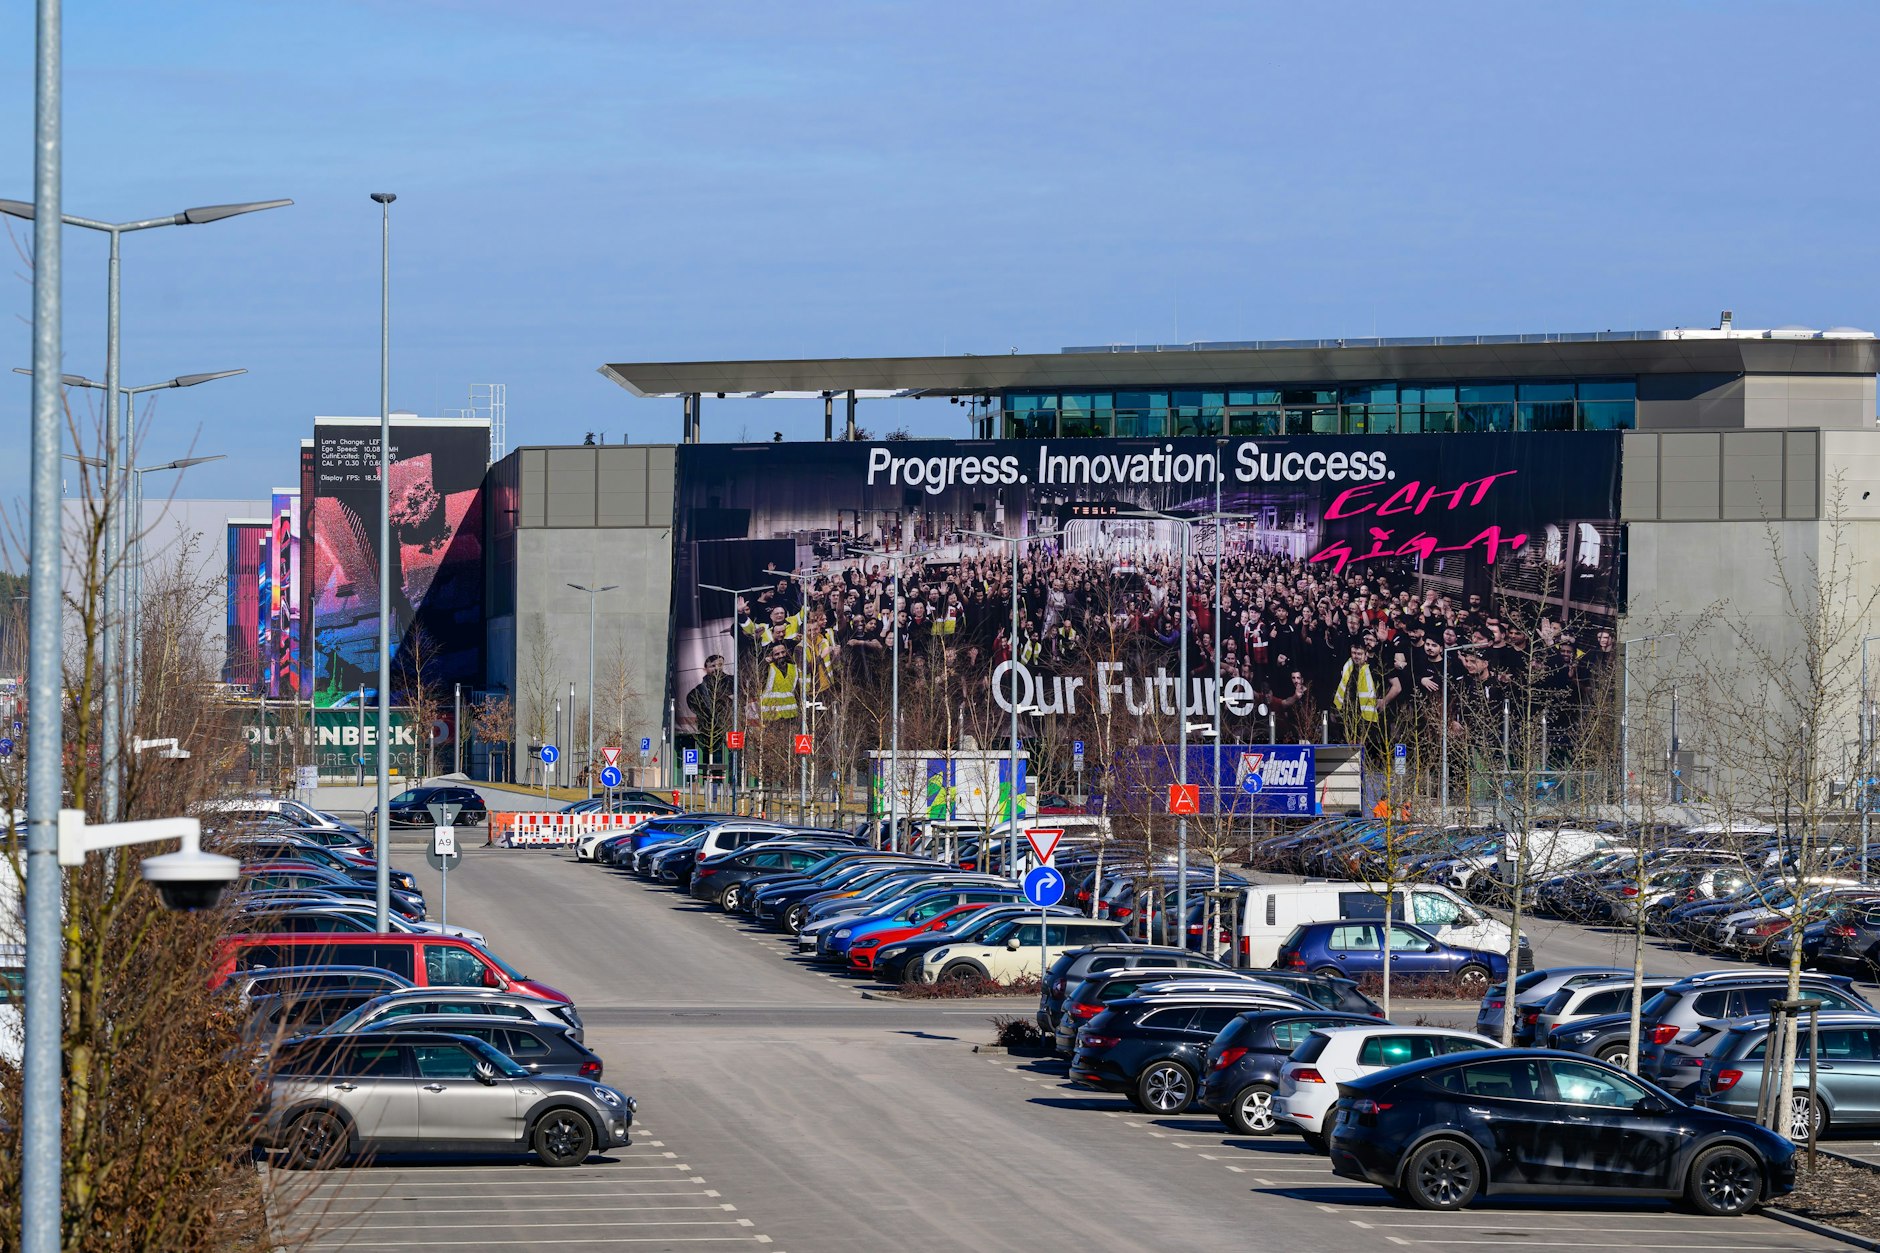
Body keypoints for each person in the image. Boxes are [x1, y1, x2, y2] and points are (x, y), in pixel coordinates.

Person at [685, 654, 734, 748]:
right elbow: (691, 701)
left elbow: (744, 698)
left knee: (732, 751)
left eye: (720, 665)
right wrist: (705, 714)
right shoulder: (700, 690)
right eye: (713, 666)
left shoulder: (732, 682)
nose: (717, 668)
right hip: (708, 730)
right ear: (705, 669)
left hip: (729, 727)